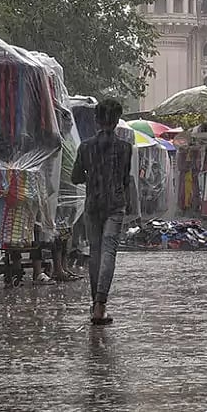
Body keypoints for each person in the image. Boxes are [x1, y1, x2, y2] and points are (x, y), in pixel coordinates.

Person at [70, 99, 134, 326]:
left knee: (95, 252)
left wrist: (92, 172)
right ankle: (100, 304)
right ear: (116, 121)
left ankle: (95, 304)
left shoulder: (85, 147)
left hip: (93, 204)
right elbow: (125, 179)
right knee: (109, 252)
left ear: (96, 120)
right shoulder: (125, 148)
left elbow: (75, 177)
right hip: (115, 204)